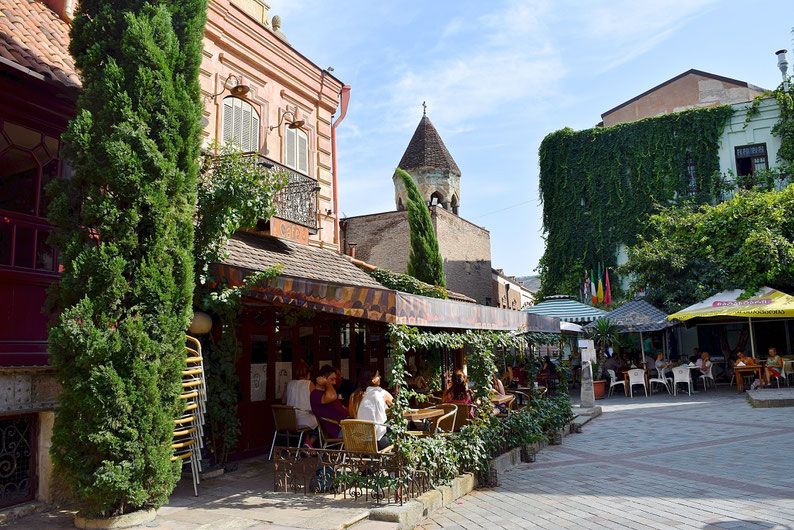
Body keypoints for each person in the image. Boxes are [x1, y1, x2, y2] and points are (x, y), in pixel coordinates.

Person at [349, 368, 393, 450]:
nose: (380, 377)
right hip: (378, 442)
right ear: (372, 380)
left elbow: (352, 414)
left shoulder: (354, 396)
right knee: (394, 432)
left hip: (359, 442)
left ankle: (367, 461)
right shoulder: (381, 393)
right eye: (378, 375)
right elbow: (397, 409)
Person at [281, 359, 317, 447]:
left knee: (307, 423)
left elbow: (283, 401)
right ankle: (309, 443)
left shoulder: (289, 384)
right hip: (305, 421)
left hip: (290, 421)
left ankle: (307, 446)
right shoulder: (309, 384)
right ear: (308, 374)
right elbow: (317, 401)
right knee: (320, 423)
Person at [310, 365, 348, 438]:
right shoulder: (316, 394)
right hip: (340, 429)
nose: (334, 383)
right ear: (323, 379)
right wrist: (326, 383)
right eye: (332, 379)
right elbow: (333, 396)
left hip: (345, 425)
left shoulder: (325, 393)